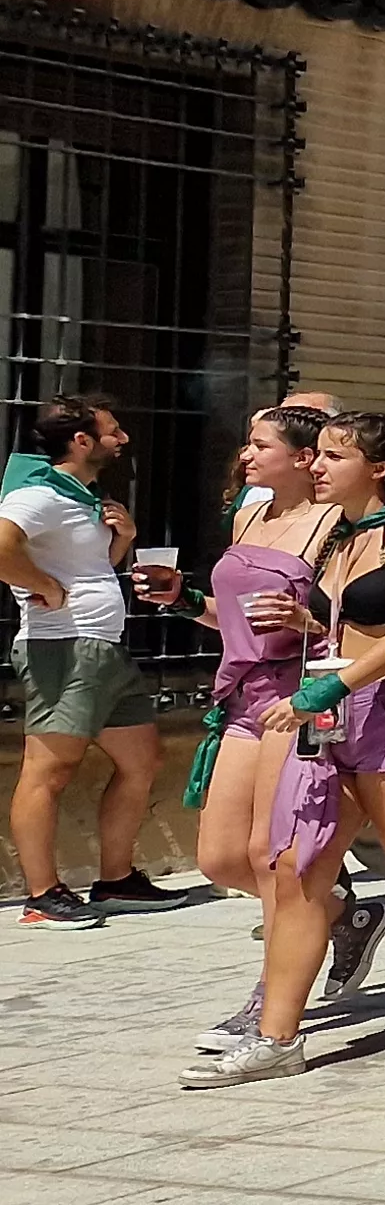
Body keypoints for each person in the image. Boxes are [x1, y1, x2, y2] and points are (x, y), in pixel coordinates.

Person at [183, 415, 385, 1086]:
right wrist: (308, 632)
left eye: (335, 455)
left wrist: (328, 683)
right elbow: (348, 624)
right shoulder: (339, 538)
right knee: (297, 871)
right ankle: (277, 1036)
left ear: (379, 468)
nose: (319, 466)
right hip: (329, 722)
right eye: (319, 454)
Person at [4, 396, 182, 926]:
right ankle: (41, 895)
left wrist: (121, 542)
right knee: (48, 770)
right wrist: (41, 588)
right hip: (63, 647)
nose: (122, 438)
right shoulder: (37, 495)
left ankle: (115, 881)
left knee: (142, 761)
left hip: (102, 647)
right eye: (113, 430)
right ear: (81, 441)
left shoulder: (80, 495)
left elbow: (85, 569)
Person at [186, 408, 339, 937]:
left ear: (302, 458)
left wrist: (307, 622)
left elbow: (353, 625)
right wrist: (183, 600)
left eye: (259, 445)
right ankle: (337, 909)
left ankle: (270, 995)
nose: (245, 455)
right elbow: (234, 621)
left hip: (296, 693)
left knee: (268, 852)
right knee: (220, 858)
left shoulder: (333, 524)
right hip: (241, 694)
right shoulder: (247, 517)